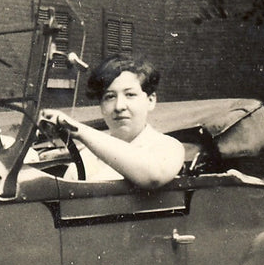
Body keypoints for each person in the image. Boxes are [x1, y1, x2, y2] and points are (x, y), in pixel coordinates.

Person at [37, 55, 185, 188]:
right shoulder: (86, 159)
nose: (119, 106)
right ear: (101, 106)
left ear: (151, 101)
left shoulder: (169, 147)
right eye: (109, 97)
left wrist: (79, 130)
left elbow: (153, 176)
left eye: (130, 94)